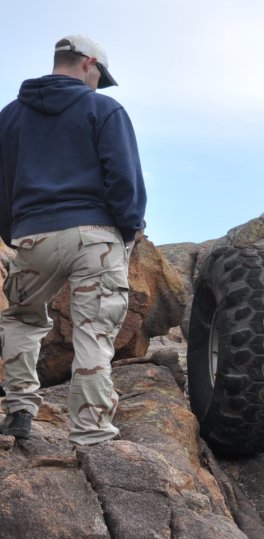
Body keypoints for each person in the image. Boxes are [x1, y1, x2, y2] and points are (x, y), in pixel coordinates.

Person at [0, 34, 146, 443]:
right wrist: (128, 226)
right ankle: (92, 431)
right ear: (89, 64)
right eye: (101, 75)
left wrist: (13, 232)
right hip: (95, 238)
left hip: (32, 237)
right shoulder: (104, 108)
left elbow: (2, 184)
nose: (100, 83)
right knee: (93, 332)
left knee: (20, 319)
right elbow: (123, 177)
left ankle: (19, 411)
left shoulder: (9, 116)